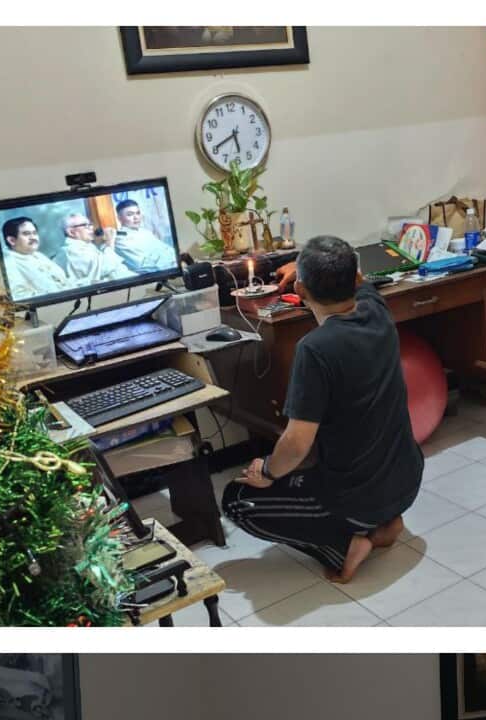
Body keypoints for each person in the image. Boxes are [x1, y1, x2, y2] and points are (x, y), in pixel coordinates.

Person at [221, 235, 424, 583]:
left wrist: (267, 471)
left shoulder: (314, 350)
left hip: (359, 498)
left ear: (299, 289)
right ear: (357, 280)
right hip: (408, 479)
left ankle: (347, 543)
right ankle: (386, 522)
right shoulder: (375, 306)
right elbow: (355, 274)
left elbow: (297, 442)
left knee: (236, 499)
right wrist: (308, 266)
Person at [0, 217, 72, 301]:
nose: (33, 237)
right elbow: (20, 298)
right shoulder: (8, 264)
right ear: (12, 240)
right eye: (26, 234)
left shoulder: (38, 255)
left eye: (34, 233)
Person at [52, 213, 136, 285]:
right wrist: (110, 242)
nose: (91, 228)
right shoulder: (71, 251)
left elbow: (99, 262)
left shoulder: (85, 246)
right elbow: (105, 267)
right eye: (85, 225)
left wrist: (105, 244)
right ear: (71, 232)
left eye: (90, 224)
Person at [110, 199, 178, 273]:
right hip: (157, 275)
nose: (136, 217)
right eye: (130, 214)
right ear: (119, 218)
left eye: (138, 213)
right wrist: (169, 259)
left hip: (173, 266)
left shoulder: (145, 232)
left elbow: (169, 250)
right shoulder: (120, 240)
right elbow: (143, 266)